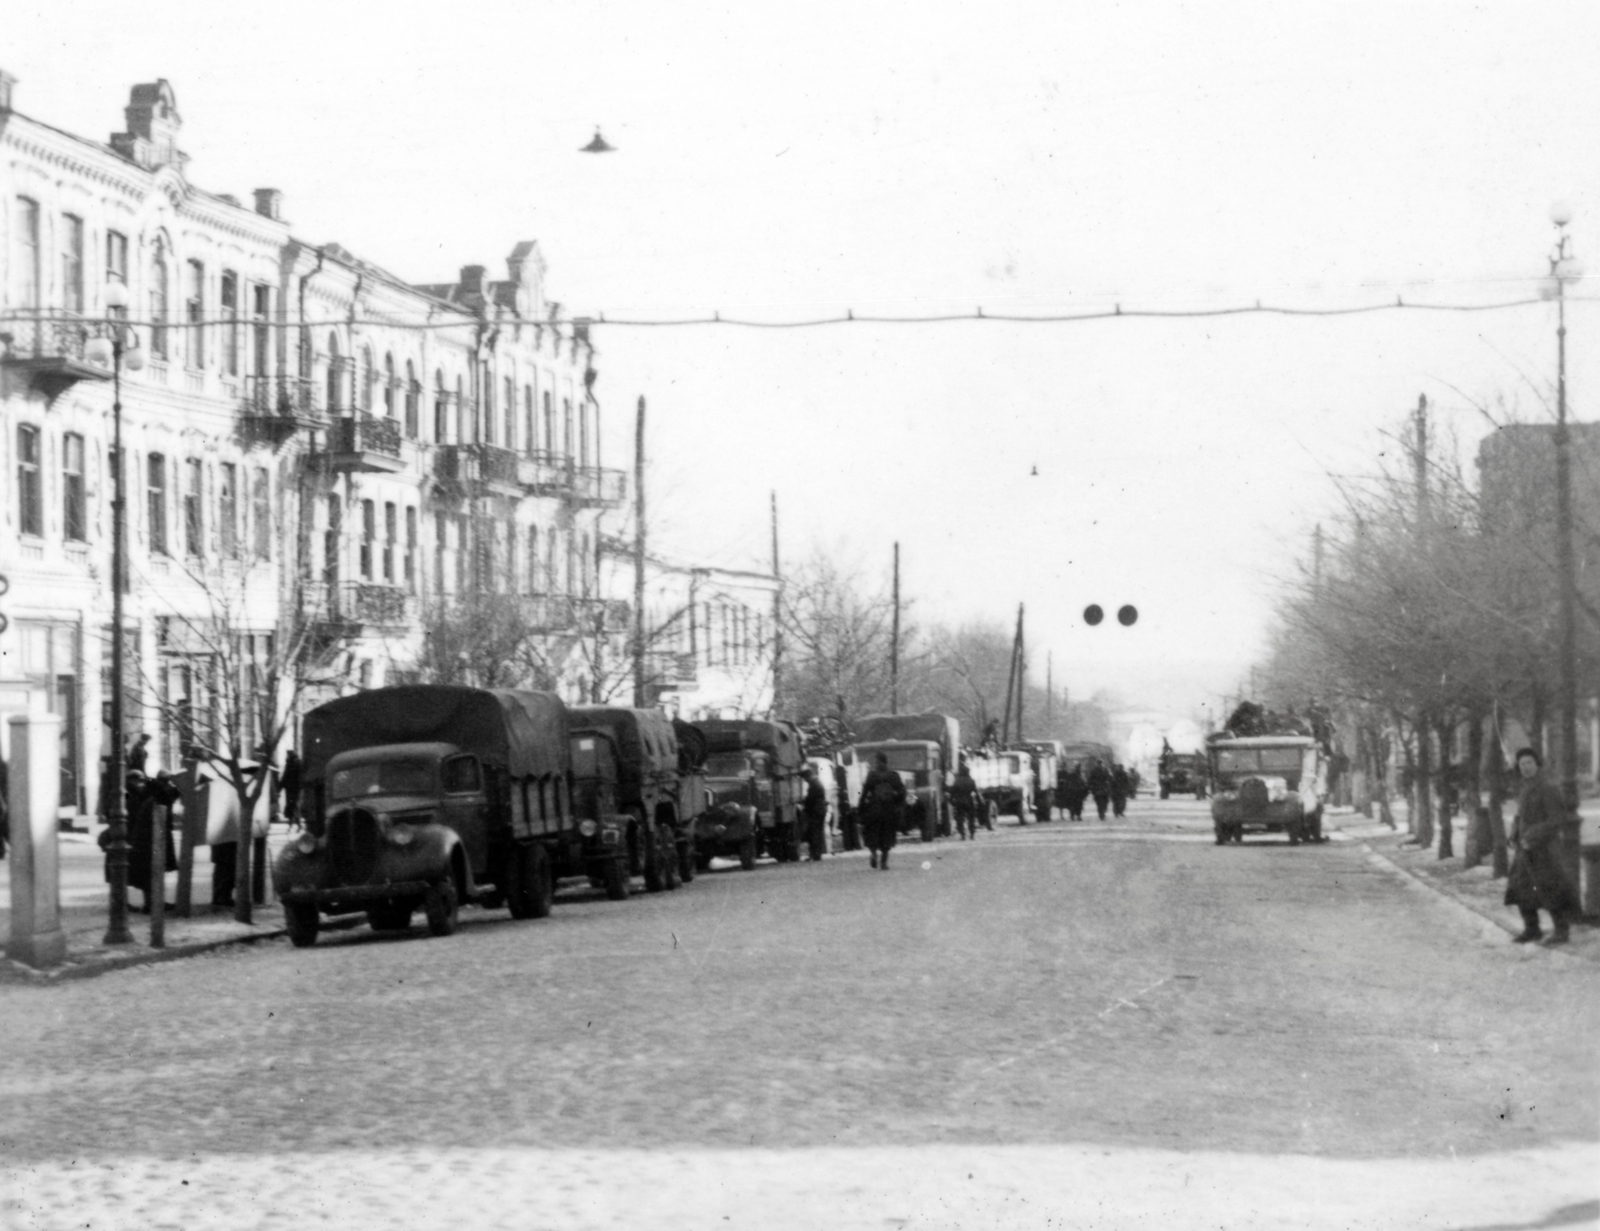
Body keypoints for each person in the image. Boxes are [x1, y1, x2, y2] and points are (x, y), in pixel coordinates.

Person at [1504, 747, 1582, 946]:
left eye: (1530, 763)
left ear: (1537, 764)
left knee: (1551, 890)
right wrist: (1514, 833)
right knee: (1521, 889)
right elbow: (1520, 816)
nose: (1526, 767)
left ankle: (1562, 932)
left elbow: (1557, 819)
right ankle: (1532, 929)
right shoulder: (1524, 787)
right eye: (1522, 764)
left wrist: (1532, 835)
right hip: (1525, 850)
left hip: (1545, 850)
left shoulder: (1547, 787)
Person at [858, 752, 907, 870]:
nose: (875, 764)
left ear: (880, 762)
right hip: (888, 811)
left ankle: (874, 854)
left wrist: (861, 808)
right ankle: (884, 862)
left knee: (872, 834)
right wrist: (895, 798)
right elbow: (902, 792)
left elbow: (864, 793)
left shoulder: (872, 775)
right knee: (887, 836)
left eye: (876, 761)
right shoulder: (894, 775)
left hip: (874, 810)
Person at [801, 765, 829, 861]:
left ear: (807, 776)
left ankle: (815, 854)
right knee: (818, 832)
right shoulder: (817, 781)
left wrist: (804, 805)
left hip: (815, 811)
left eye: (804, 778)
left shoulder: (813, 784)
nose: (804, 780)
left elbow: (810, 799)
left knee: (814, 833)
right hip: (820, 810)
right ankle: (817, 854)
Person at [950, 760, 981, 840]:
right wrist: (980, 801)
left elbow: (952, 793)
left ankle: (962, 835)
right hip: (969, 802)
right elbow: (976, 792)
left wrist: (952, 802)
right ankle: (972, 834)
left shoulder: (957, 781)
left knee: (960, 819)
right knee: (971, 819)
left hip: (959, 802)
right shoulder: (971, 781)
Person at [280, 748, 304, 831]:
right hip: (295, 789)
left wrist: (280, 787)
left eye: (287, 754)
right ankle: (295, 826)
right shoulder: (297, 762)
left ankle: (294, 826)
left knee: (292, 807)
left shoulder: (291, 763)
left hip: (291, 789)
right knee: (294, 807)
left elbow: (285, 776)